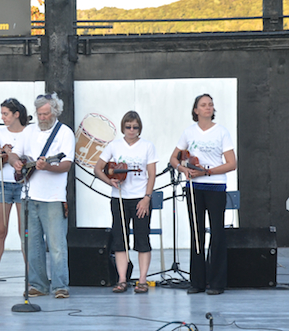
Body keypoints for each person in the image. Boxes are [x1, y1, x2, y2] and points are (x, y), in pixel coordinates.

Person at [168, 93, 237, 296]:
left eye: (211, 105)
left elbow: (231, 164)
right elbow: (173, 158)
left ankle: (217, 283)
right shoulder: (189, 133)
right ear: (196, 110)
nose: (208, 108)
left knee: (217, 233)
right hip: (194, 188)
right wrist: (183, 169)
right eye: (203, 105)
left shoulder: (221, 132)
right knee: (196, 234)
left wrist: (207, 171)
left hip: (215, 186)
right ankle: (197, 282)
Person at [9, 93, 75, 299]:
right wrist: (15, 162)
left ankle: (60, 285)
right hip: (29, 196)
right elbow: (13, 153)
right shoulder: (28, 131)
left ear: (55, 112)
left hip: (53, 197)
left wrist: (48, 166)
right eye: (39, 114)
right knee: (30, 243)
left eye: (46, 114)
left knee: (56, 245)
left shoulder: (64, 133)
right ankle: (37, 284)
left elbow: (66, 165)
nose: (42, 117)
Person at [94, 111, 158, 294]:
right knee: (120, 240)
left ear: (140, 128)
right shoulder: (114, 146)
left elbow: (151, 174)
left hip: (140, 199)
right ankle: (122, 279)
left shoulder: (147, 146)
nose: (131, 130)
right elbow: (98, 169)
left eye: (135, 127)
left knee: (142, 239)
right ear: (123, 127)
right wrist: (110, 181)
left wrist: (147, 198)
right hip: (120, 197)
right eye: (128, 127)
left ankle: (142, 280)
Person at [0, 98, 29, 287]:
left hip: (23, 183)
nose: (2, 117)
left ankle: (30, 274)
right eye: (2, 113)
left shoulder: (29, 132)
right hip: (3, 183)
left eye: (5, 114)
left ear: (16, 114)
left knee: (24, 231)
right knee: (1, 229)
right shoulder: (0, 132)